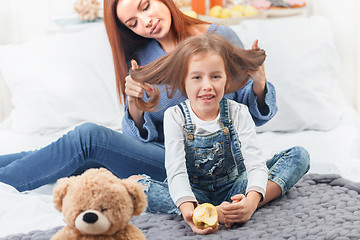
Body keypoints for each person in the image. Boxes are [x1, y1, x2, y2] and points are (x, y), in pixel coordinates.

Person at [0, 0, 276, 191]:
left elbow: (250, 116)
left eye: (146, 6)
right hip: (159, 154)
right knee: (65, 154)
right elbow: (139, 140)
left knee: (88, 138)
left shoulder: (218, 36)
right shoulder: (141, 57)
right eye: (133, 22)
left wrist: (260, 82)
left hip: (204, 162)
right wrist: (135, 107)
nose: (146, 22)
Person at [128, 34, 310, 235]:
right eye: (197, 77)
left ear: (226, 79)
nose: (207, 85)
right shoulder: (175, 116)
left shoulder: (238, 112)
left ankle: (239, 209)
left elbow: (255, 164)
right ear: (183, 81)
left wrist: (250, 201)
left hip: (236, 189)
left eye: (215, 76)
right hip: (194, 194)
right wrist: (190, 213)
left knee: (299, 155)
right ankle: (210, 212)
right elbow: (176, 171)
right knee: (133, 185)